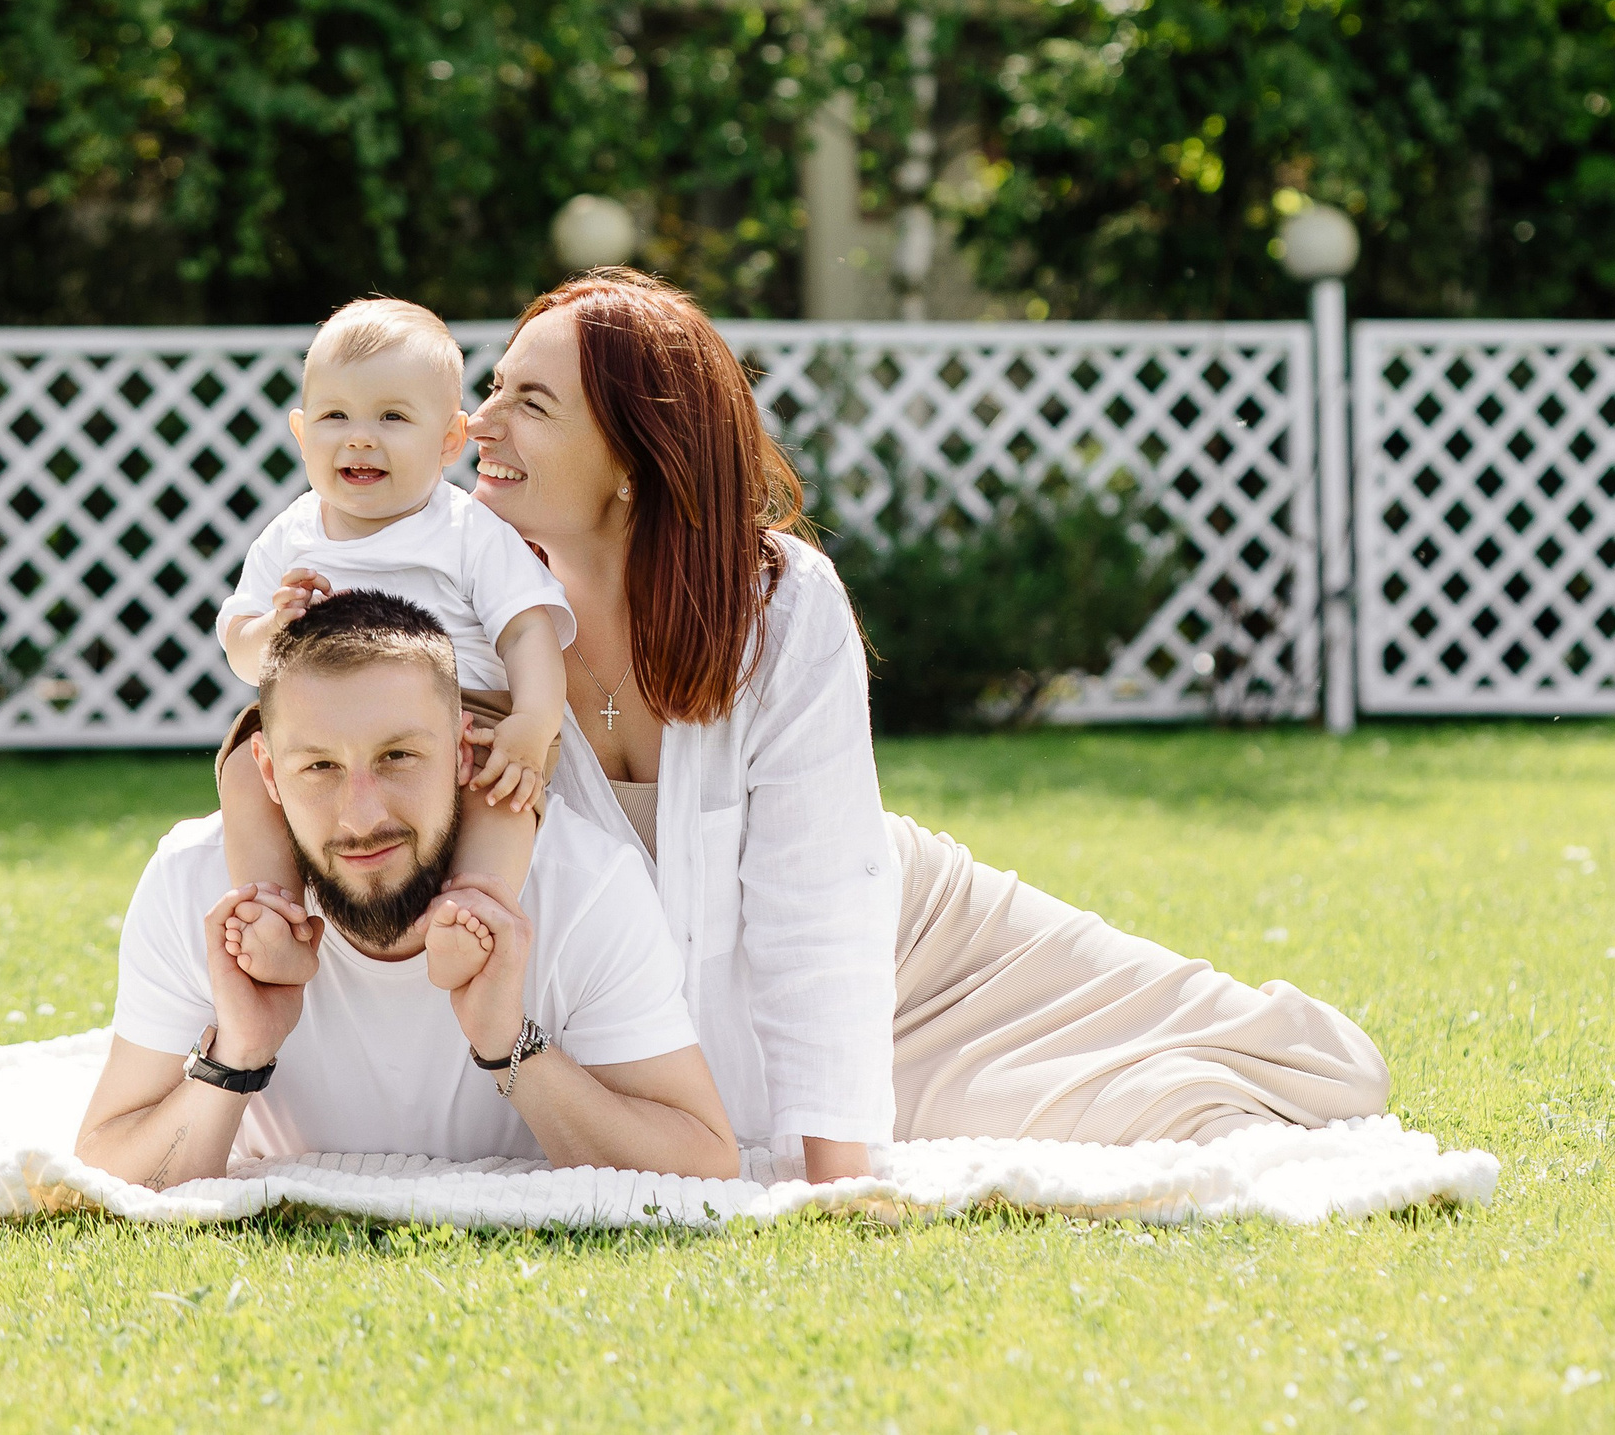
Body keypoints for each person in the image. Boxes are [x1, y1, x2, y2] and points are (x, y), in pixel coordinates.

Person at [465, 268, 1390, 1179]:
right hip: (766, 1043)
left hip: (910, 936)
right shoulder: (464, 610)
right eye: (493, 387)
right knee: (1142, 1113)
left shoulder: (778, 605)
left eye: (531, 402)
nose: (481, 420)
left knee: (1312, 1075)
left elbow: (817, 903)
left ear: (634, 456)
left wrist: (837, 1179)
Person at [75, 588, 738, 1187]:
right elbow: (105, 1166)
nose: (361, 815)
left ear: (461, 750)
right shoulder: (196, 888)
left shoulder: (584, 887)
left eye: (398, 756)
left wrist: (512, 1044)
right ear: (268, 773)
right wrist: (237, 1053)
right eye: (320, 766)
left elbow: (705, 1161)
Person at [212, 298, 573, 994]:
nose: (359, 439)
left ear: (448, 441)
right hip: (322, 724)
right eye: (336, 416)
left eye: (392, 417)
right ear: (300, 431)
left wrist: (534, 722)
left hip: (469, 712)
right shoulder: (291, 535)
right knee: (241, 768)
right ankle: (273, 913)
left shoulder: (466, 530)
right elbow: (239, 646)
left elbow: (527, 628)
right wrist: (270, 632)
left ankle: (473, 910)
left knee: (501, 787)